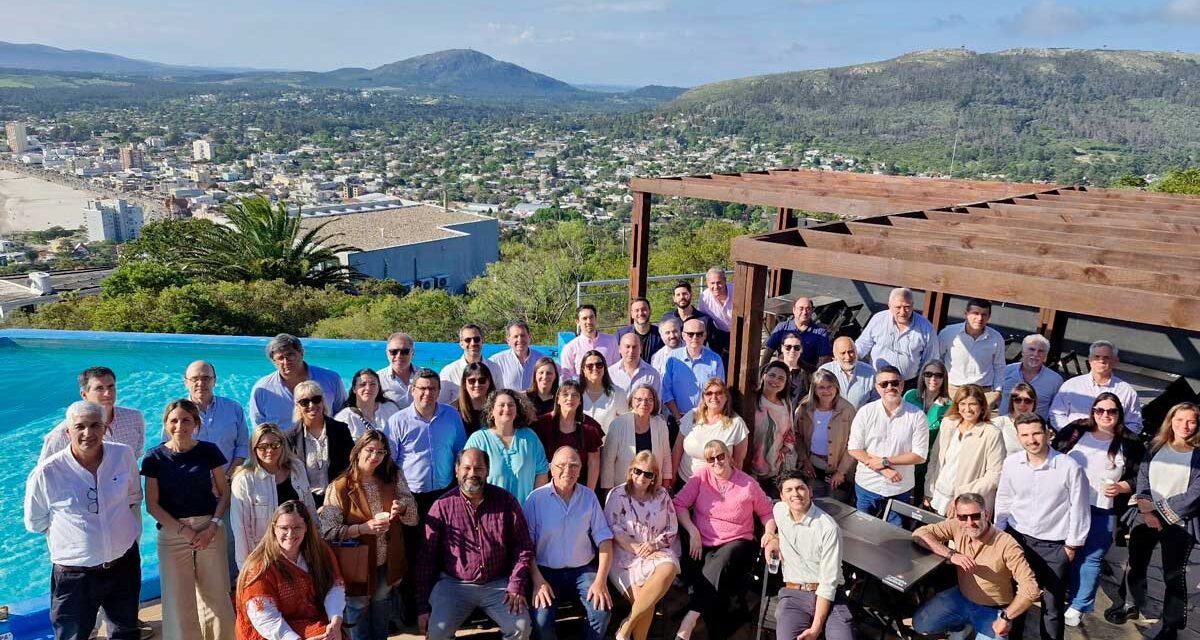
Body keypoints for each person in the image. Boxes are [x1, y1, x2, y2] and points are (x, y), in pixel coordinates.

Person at [24, 400, 142, 640]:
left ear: (105, 428)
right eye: (80, 426)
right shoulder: (46, 473)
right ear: (68, 431)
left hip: (124, 564)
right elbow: (36, 522)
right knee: (72, 636)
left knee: (126, 631)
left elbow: (132, 497)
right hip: (74, 576)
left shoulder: (123, 455)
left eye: (95, 425)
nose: (88, 433)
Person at [415, 449, 535, 640]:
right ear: (456, 470)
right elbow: (425, 560)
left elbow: (523, 546)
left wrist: (516, 584)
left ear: (487, 471)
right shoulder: (442, 506)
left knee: (521, 628)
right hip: (454, 584)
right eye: (467, 468)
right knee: (436, 634)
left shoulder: (505, 501)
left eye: (478, 468)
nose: (472, 473)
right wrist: (422, 607)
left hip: (498, 583)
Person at [142, 399, 236, 640]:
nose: (179, 425)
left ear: (196, 424)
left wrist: (213, 526)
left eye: (186, 420)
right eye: (173, 420)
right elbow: (152, 505)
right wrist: (186, 532)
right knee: (177, 601)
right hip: (173, 535)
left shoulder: (209, 450)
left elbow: (224, 493)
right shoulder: (154, 458)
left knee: (216, 595)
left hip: (210, 529)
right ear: (165, 424)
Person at [1106, 402, 1199, 640]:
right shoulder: (1157, 446)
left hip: (1178, 522)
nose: (1184, 426)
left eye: (1191, 421)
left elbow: (1195, 494)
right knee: (1135, 563)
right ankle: (1130, 603)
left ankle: (1171, 624)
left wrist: (1159, 513)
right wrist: (1147, 511)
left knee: (1173, 575)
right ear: (1171, 421)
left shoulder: (1198, 454)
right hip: (1145, 516)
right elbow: (1143, 476)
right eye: (1179, 420)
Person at [995, 414, 1090, 640]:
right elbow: (1004, 499)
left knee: (1052, 607)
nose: (1032, 440)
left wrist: (1071, 546)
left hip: (1054, 547)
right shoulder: (1011, 463)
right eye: (1025, 435)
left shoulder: (1069, 467)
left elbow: (1079, 507)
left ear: (1048, 433)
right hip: (1017, 540)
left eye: (1036, 433)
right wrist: (999, 534)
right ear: (1018, 437)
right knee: (1016, 599)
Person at [319, 430, 419, 640]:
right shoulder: (339, 488)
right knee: (357, 609)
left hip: (386, 560)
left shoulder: (393, 477)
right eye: (370, 450)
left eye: (381, 452)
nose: (375, 456)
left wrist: (401, 508)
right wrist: (363, 529)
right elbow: (328, 532)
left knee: (382, 605)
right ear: (357, 451)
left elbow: (413, 517)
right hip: (357, 566)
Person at [673, 440, 776, 640]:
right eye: (710, 459)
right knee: (715, 585)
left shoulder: (747, 483)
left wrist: (769, 533)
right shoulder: (701, 478)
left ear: (729, 457)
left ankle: (690, 618)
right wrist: (693, 531)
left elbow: (767, 512)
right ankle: (718, 631)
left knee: (720, 562)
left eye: (720, 456)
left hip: (738, 543)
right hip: (704, 543)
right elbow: (679, 504)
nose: (716, 462)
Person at [1053, 393, 1141, 628]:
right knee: (1063, 552)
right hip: (1067, 505)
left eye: (1111, 411)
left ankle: (1079, 605)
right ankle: (1060, 592)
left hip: (1102, 509)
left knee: (1091, 558)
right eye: (1100, 410)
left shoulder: (1129, 442)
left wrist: (1124, 486)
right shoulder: (1076, 431)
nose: (1105, 415)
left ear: (1119, 414)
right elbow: (1054, 453)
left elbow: (1140, 476)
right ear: (1093, 411)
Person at [911, 493, 1040, 640]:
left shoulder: (1007, 544)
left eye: (975, 516)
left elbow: (1031, 588)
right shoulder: (957, 526)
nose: (969, 522)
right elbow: (920, 533)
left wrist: (1006, 617)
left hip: (993, 609)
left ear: (986, 514)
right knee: (921, 624)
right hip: (961, 596)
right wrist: (951, 554)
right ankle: (960, 626)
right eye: (963, 517)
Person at [525, 447, 615, 640]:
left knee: (601, 611)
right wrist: (537, 580)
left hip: (583, 571)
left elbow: (605, 541)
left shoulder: (589, 497)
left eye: (574, 465)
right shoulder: (535, 499)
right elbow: (526, 547)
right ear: (551, 467)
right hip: (545, 573)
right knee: (541, 621)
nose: (568, 470)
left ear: (581, 469)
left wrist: (601, 581)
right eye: (561, 465)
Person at [762, 472, 857, 640]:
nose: (795, 494)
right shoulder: (780, 510)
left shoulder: (828, 529)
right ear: (782, 496)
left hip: (830, 595)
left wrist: (815, 629)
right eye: (789, 490)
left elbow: (828, 583)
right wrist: (772, 537)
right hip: (794, 594)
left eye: (800, 488)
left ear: (810, 492)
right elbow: (771, 517)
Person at [235, 500, 345, 640]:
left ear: (306, 527)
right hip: (271, 633)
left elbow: (334, 588)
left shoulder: (320, 552)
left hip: (311, 623)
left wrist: (335, 622)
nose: (290, 534)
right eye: (284, 528)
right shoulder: (259, 567)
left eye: (297, 527)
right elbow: (264, 618)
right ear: (274, 529)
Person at [603, 452, 679, 640]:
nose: (641, 477)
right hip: (624, 557)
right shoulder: (617, 494)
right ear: (631, 470)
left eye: (648, 474)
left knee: (669, 566)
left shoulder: (662, 495)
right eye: (638, 471)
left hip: (654, 551)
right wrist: (635, 547)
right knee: (645, 601)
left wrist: (654, 544)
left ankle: (626, 627)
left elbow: (672, 528)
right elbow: (611, 527)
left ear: (654, 477)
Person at [846, 366, 929, 525]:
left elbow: (919, 456)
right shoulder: (865, 412)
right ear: (877, 388)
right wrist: (884, 469)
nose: (890, 387)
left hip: (900, 489)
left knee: (894, 539)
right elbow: (854, 448)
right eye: (884, 384)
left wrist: (885, 461)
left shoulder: (917, 417)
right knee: (862, 532)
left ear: (902, 385)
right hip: (867, 486)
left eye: (894, 383)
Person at [231, 423, 317, 569]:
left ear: (283, 445)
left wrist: (316, 545)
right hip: (264, 555)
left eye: (275, 445)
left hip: (299, 549)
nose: (269, 450)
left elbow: (309, 507)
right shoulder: (244, 480)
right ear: (254, 449)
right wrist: (245, 568)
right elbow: (241, 529)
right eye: (263, 447)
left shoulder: (296, 467)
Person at [923, 384, 1005, 515]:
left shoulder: (991, 433)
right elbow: (935, 458)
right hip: (939, 497)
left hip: (968, 504)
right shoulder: (948, 423)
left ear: (982, 406)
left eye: (973, 404)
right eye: (963, 403)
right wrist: (929, 489)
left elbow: (994, 474)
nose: (967, 409)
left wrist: (963, 497)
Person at [41, 366, 146, 460]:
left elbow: (134, 457)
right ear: (84, 394)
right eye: (99, 388)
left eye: (111, 386)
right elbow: (45, 472)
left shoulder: (134, 418)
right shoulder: (60, 434)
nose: (107, 393)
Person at [465, 389, 549, 504]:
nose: (507, 409)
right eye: (501, 405)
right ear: (491, 410)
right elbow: (467, 476)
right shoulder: (478, 440)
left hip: (525, 514)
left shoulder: (530, 438)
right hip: (490, 513)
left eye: (511, 405)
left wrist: (535, 505)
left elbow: (542, 472)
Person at [250, 333, 347, 429]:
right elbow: (259, 429)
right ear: (273, 361)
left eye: (290, 355)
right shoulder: (262, 389)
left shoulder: (330, 379)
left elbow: (343, 414)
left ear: (301, 353)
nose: (286, 362)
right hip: (282, 443)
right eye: (280, 358)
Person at [285, 380, 354, 508]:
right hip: (304, 503)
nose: (311, 405)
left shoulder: (341, 430)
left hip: (338, 500)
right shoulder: (289, 437)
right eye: (304, 402)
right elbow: (287, 475)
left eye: (316, 399)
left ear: (322, 401)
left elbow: (351, 467)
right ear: (297, 406)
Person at [1051, 340, 1144, 433]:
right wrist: (1070, 434)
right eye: (1097, 357)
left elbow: (1134, 424)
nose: (1101, 360)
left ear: (1116, 361)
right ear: (1090, 359)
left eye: (1106, 357)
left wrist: (1114, 439)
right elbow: (1056, 414)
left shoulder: (1127, 391)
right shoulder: (1071, 386)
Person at [854, 288, 940, 389]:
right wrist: (849, 359)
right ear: (889, 306)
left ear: (913, 305)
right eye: (898, 307)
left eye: (907, 307)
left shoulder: (926, 328)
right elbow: (863, 345)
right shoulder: (878, 319)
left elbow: (930, 359)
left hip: (909, 384)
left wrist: (923, 385)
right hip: (878, 380)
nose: (902, 312)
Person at [796, 369, 857, 504]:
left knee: (838, 508)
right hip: (812, 467)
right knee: (813, 505)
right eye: (821, 387)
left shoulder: (847, 410)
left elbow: (854, 443)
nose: (826, 391)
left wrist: (841, 472)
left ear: (836, 387)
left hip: (839, 471)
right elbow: (797, 435)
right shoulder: (805, 407)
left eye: (830, 386)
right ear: (814, 390)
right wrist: (805, 460)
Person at [673, 378, 749, 484]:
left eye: (718, 393)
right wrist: (671, 477)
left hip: (717, 486)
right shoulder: (691, 416)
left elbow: (738, 462)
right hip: (685, 482)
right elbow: (677, 449)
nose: (714, 397)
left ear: (726, 397)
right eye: (709, 393)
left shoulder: (737, 424)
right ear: (704, 397)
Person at [535, 380, 604, 490]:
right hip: (548, 487)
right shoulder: (542, 424)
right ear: (557, 399)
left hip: (579, 488)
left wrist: (588, 492)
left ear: (580, 401)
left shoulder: (590, 427)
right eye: (565, 394)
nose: (570, 398)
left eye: (575, 395)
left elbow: (593, 463)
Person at [602, 385, 673, 491]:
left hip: (652, 489)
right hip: (623, 488)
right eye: (639, 399)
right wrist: (608, 492)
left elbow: (666, 457)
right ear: (632, 401)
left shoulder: (660, 424)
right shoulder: (618, 424)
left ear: (654, 403)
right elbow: (608, 461)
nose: (644, 403)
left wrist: (665, 487)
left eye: (649, 399)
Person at [937, 298, 1005, 406]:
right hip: (953, 390)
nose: (979, 318)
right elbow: (937, 360)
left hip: (984, 392)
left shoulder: (996, 338)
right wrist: (940, 388)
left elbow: (999, 366)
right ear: (966, 314)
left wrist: (997, 391)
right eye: (975, 313)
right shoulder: (948, 333)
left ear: (989, 317)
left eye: (984, 314)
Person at [903, 360, 951, 505]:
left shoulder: (949, 406)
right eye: (928, 374)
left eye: (938, 375)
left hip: (927, 461)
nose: (933, 379)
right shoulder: (910, 395)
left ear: (944, 378)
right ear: (922, 376)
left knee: (916, 501)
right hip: (904, 455)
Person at [661, 318, 725, 423]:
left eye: (699, 334)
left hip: (705, 420)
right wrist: (678, 419)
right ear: (683, 335)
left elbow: (719, 392)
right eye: (690, 334)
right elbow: (666, 391)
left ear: (705, 335)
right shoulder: (672, 358)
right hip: (676, 420)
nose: (695, 337)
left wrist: (703, 417)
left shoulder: (715, 360)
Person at [750, 361, 797, 494]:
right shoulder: (753, 400)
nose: (775, 380)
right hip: (750, 466)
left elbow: (790, 430)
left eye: (781, 378)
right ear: (764, 376)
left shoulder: (786, 403)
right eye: (772, 375)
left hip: (775, 467)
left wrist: (786, 448)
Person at [999, 334, 1062, 418]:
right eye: (1031, 349)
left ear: (1045, 356)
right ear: (1023, 352)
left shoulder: (1055, 380)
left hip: (1034, 428)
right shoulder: (1006, 371)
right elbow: (997, 397)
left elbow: (1056, 411)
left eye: (1040, 351)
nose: (1035, 354)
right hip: (1005, 426)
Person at [764, 296, 833, 370]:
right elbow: (769, 350)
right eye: (801, 308)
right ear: (794, 310)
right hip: (783, 370)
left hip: (807, 373)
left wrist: (815, 376)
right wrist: (762, 369)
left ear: (812, 311)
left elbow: (825, 358)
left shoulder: (820, 333)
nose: (805, 312)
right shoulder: (782, 327)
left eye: (808, 309)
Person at [335, 368, 401, 439]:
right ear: (354, 389)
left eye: (373, 384)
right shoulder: (344, 417)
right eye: (362, 384)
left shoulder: (390, 409)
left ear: (378, 388)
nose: (368, 388)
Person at [661, 281, 723, 354]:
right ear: (674, 298)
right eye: (678, 295)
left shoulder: (704, 320)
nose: (682, 297)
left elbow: (715, 347)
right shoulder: (667, 318)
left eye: (684, 294)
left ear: (691, 295)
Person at [560, 305, 619, 380]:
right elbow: (566, 377)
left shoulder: (611, 341)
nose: (589, 321)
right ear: (577, 322)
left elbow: (617, 369)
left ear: (596, 319)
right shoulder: (570, 348)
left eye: (591, 317)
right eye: (585, 318)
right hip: (582, 390)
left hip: (607, 389)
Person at [818, 336, 877, 409]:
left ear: (856, 351)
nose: (848, 357)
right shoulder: (825, 371)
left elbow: (875, 403)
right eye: (843, 353)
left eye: (851, 352)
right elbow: (817, 400)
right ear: (835, 355)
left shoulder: (870, 372)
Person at [489, 321, 549, 392]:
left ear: (529, 337)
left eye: (523, 335)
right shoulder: (496, 362)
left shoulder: (542, 360)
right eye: (515, 336)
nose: (520, 340)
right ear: (508, 340)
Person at [580, 349, 629, 434]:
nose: (595, 368)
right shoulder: (576, 393)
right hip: (579, 446)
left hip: (608, 445)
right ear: (583, 370)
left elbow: (626, 424)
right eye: (590, 366)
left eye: (599, 365)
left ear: (604, 368)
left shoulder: (617, 393)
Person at [439, 324, 487, 403]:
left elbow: (498, 399)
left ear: (482, 341)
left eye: (476, 339)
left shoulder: (494, 368)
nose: (473, 343)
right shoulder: (448, 372)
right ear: (461, 343)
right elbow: (441, 405)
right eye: (468, 340)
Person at [608, 331, 661, 396]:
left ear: (641, 349)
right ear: (619, 349)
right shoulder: (610, 373)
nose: (631, 351)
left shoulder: (652, 374)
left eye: (635, 347)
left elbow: (656, 403)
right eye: (627, 346)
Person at [616, 297, 663, 364]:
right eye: (637, 310)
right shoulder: (621, 334)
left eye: (644, 309)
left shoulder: (660, 333)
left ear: (650, 311)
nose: (640, 313)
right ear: (632, 314)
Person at [995, 383, 1037, 456]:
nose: (1022, 404)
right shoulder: (998, 423)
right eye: (1018, 400)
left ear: (1034, 403)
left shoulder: (1039, 425)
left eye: (1027, 401)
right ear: (1012, 402)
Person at [377, 332, 416, 409]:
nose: (399, 356)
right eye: (393, 352)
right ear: (387, 354)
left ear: (413, 353)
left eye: (405, 351)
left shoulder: (425, 376)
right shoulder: (378, 379)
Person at [456, 361, 496, 434]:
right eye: (472, 381)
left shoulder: (498, 407)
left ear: (489, 382)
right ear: (465, 383)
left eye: (482, 380)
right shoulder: (454, 410)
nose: (477, 385)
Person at [775, 330, 810, 407]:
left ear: (801, 349)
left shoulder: (809, 373)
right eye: (788, 347)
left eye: (797, 347)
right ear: (782, 348)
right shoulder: (771, 370)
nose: (792, 350)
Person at [699, 267, 734, 333]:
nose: (716, 286)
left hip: (742, 330)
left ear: (725, 281)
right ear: (707, 283)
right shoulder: (704, 298)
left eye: (719, 282)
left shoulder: (736, 291)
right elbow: (702, 319)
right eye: (712, 283)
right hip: (720, 333)